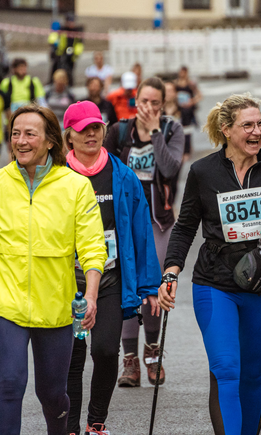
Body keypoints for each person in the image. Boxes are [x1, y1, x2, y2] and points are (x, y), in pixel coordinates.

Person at [0, 104, 107, 435]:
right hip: (6, 304)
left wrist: (91, 296)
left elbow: (93, 248)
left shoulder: (76, 187)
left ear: (50, 141)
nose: (20, 141)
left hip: (56, 308)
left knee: (51, 394)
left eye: (30, 134)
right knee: (10, 383)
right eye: (15, 134)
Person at [158, 93, 261, 435]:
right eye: (248, 125)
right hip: (215, 284)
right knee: (226, 368)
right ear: (226, 129)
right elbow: (185, 227)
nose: (257, 131)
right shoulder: (203, 172)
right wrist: (171, 271)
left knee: (253, 374)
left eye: (260, 124)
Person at [62, 101, 161, 435]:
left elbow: (141, 231)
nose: (91, 134)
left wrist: (149, 286)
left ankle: (96, 422)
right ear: (69, 136)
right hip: (67, 283)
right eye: (83, 130)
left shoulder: (123, 176)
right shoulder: (57, 176)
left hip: (110, 280)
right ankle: (70, 427)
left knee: (105, 350)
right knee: (72, 356)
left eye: (96, 127)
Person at [104, 77, 184, 388]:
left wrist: (154, 133)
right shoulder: (119, 131)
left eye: (155, 103)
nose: (149, 107)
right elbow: (104, 169)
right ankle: (130, 360)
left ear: (163, 104)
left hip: (158, 221)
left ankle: (152, 353)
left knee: (153, 285)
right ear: (135, 101)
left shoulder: (171, 130)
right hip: (123, 221)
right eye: (144, 101)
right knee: (125, 283)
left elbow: (170, 168)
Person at [175, 65, 202, 161]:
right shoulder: (176, 83)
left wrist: (192, 102)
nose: (182, 74)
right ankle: (183, 148)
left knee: (187, 129)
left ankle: (187, 150)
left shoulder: (190, 83)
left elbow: (199, 95)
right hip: (178, 110)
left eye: (184, 72)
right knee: (178, 129)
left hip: (188, 110)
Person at [49, 14, 83, 85]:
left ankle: (70, 85)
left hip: (71, 55)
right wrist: (54, 48)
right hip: (60, 53)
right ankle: (52, 83)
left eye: (72, 21)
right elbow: (53, 38)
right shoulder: (62, 29)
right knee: (56, 69)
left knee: (69, 71)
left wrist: (76, 53)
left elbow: (79, 44)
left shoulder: (76, 32)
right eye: (69, 21)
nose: (71, 23)